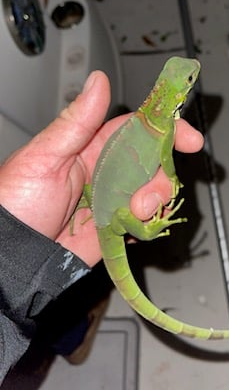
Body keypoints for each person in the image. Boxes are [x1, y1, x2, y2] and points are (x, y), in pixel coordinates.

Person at [0, 70, 204, 382]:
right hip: (111, 216)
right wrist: (172, 184)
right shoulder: (160, 126)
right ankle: (147, 229)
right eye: (189, 80)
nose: (192, 79)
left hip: (99, 207)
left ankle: (71, 338)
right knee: (141, 214)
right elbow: (168, 163)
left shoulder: (148, 120)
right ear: (176, 92)